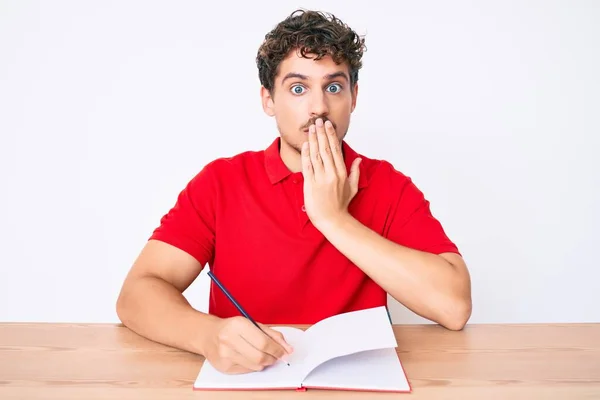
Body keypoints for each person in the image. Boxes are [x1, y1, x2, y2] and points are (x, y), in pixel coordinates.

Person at [116, 9, 472, 375]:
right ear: (268, 100)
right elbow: (136, 295)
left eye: (334, 87)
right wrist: (208, 335)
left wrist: (333, 219)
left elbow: (453, 307)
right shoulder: (220, 182)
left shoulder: (386, 184)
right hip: (245, 382)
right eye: (298, 88)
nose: (319, 108)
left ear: (353, 97)